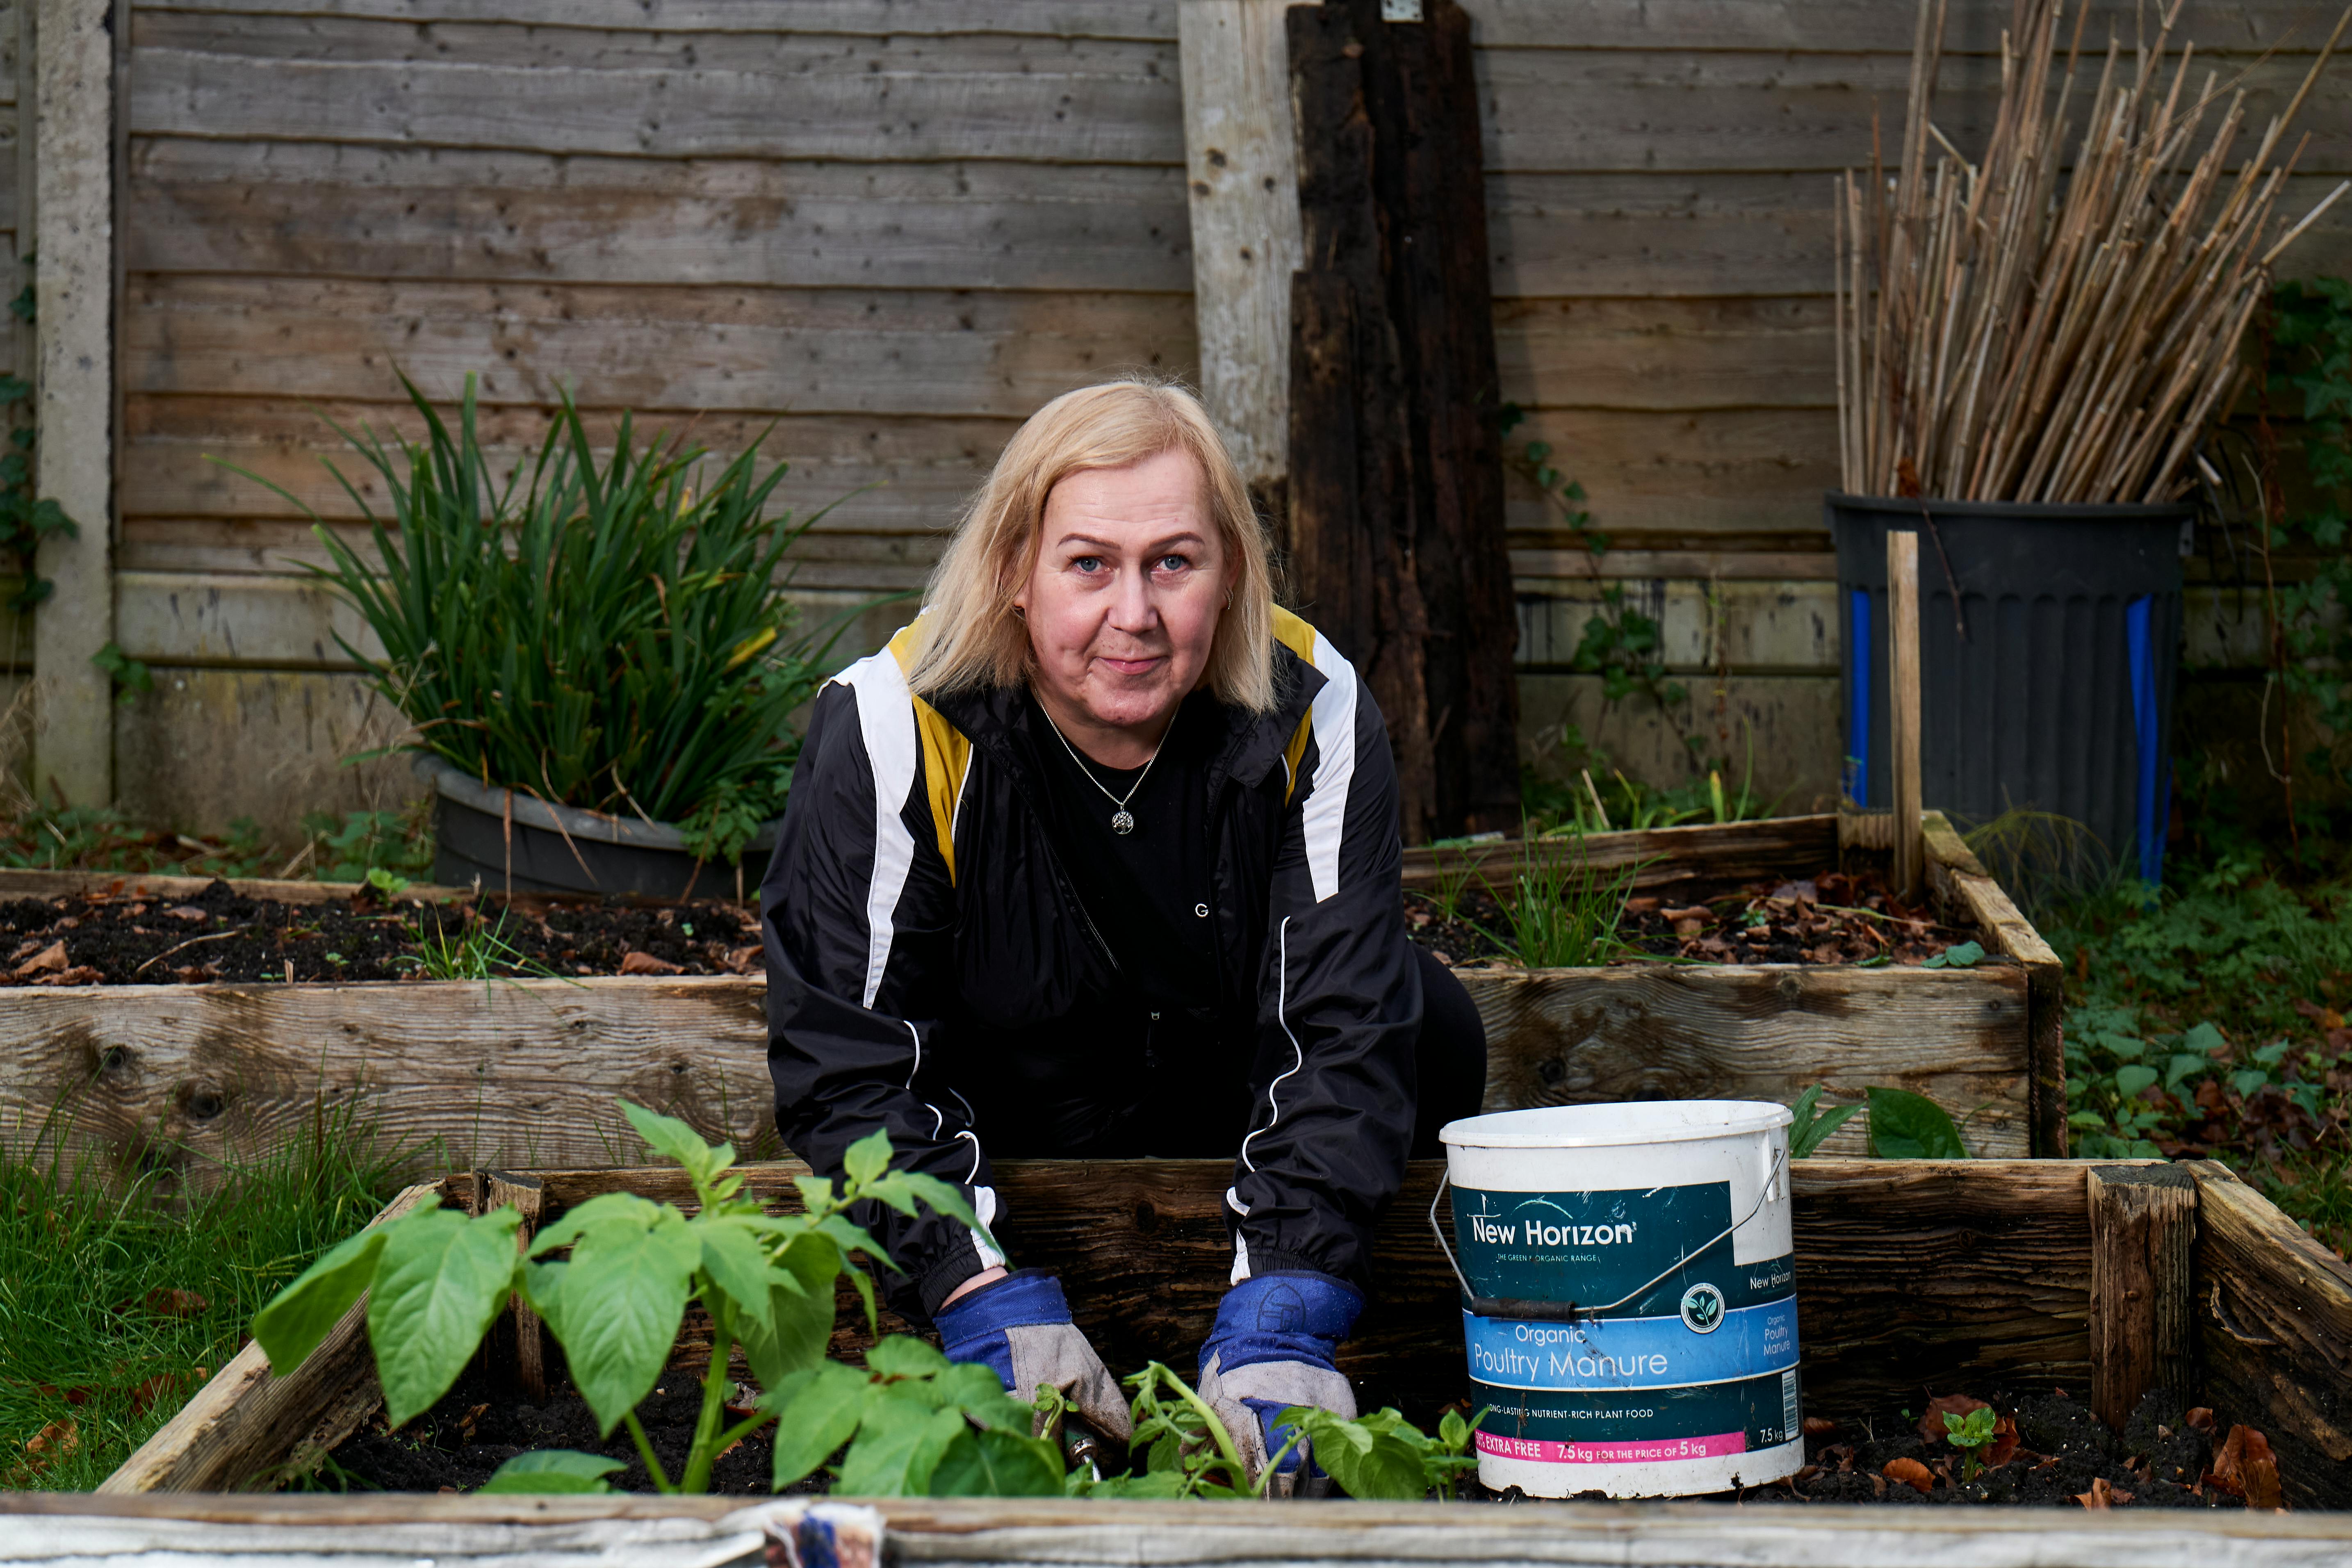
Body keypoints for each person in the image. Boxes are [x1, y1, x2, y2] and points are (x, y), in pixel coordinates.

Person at [761, 378, 1487, 1490]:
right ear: (1016, 571)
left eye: (1174, 563)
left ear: (1229, 570)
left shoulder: (1312, 704)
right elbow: (851, 1060)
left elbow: (1340, 1027)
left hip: (1221, 1100)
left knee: (1429, 1021)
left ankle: (1266, 1332)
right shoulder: (891, 724)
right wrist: (971, 1283)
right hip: (1008, 1123)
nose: (1134, 614)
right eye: (1089, 564)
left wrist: (1285, 1309)